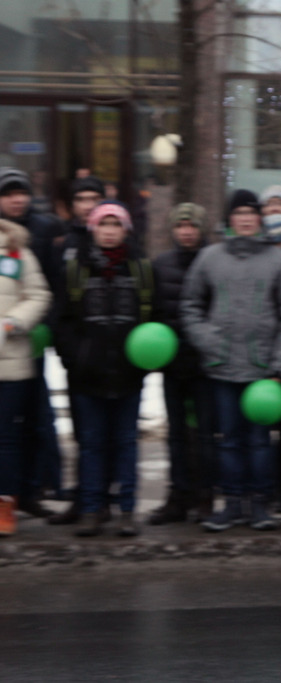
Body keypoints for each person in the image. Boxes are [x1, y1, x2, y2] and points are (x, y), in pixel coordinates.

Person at [180, 189, 281, 532]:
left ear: (259, 218)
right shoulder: (210, 257)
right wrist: (208, 341)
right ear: (230, 219)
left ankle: (260, 505)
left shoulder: (277, 260)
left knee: (260, 441)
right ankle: (232, 504)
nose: (245, 218)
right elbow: (190, 304)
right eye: (239, 213)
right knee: (229, 439)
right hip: (222, 367)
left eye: (251, 213)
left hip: (263, 371)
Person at [55, 201, 153, 537]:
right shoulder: (76, 268)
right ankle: (92, 509)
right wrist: (76, 359)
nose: (109, 231)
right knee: (92, 444)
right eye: (103, 224)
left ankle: (126, 510)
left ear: (125, 229)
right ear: (93, 229)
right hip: (87, 377)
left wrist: (142, 364)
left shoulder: (139, 268)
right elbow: (62, 321)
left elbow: (150, 321)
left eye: (116, 225)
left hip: (128, 375)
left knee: (126, 443)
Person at [0, 168, 63, 518]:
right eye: (8, 193)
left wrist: (34, 327)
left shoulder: (43, 229)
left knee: (34, 419)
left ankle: (32, 489)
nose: (16, 199)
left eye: (21, 192)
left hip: (25, 345)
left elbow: (49, 286)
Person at [148, 203, 212, 525]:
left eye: (192, 225)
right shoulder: (160, 265)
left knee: (202, 433)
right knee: (175, 433)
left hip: (204, 364)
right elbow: (155, 312)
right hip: (173, 364)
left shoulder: (212, 261)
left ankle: (204, 496)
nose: (187, 231)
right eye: (181, 226)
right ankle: (177, 495)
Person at [0, 217, 52, 536]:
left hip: (11, 363)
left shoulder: (15, 250)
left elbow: (39, 295)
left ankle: (5, 505)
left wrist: (12, 323)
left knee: (6, 440)